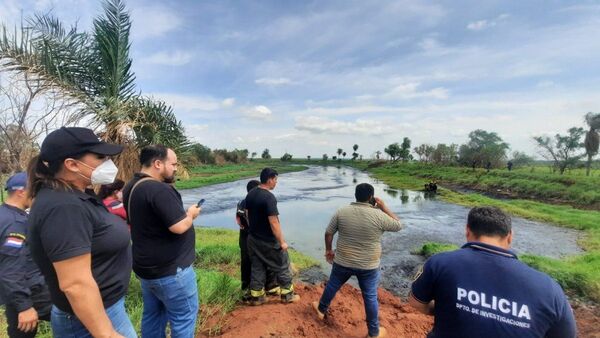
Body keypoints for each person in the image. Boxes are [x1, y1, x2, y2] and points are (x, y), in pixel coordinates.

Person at [27, 127, 135, 338]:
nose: (108, 163)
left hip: (101, 311)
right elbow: (75, 283)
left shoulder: (75, 196)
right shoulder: (64, 208)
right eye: (100, 157)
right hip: (89, 321)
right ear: (72, 164)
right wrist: (107, 333)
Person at [409, 206, 576, 338]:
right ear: (510, 237)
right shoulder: (550, 288)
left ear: (467, 231)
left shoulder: (440, 262)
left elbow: (416, 302)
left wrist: (448, 307)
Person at [122, 144, 201, 338]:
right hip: (172, 272)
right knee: (183, 319)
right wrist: (191, 214)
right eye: (173, 164)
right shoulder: (158, 189)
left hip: (147, 270)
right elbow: (179, 226)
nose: (175, 168)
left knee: (153, 317)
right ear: (158, 163)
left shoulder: (131, 186)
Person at [312, 183, 403, 338]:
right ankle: (373, 333)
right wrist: (384, 207)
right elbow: (398, 225)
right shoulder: (379, 215)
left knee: (333, 285)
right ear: (371, 198)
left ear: (356, 195)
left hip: (343, 261)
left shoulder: (342, 212)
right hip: (369, 265)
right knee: (370, 296)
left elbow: (328, 233)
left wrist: (328, 250)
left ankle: (321, 310)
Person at [0, 172, 51, 338]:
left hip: (14, 292)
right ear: (21, 192)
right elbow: (10, 269)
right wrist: (24, 306)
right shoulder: (15, 224)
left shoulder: (4, 214)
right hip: (30, 291)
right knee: (74, 316)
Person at [245, 168, 300, 305]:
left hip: (253, 239)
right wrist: (282, 242)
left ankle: (257, 298)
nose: (276, 182)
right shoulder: (269, 197)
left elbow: (247, 214)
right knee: (282, 264)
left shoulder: (251, 194)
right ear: (269, 179)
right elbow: (274, 222)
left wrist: (254, 228)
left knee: (257, 266)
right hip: (268, 241)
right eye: (275, 179)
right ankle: (288, 295)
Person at [235, 180, 279, 301]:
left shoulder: (241, 203)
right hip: (255, 237)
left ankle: (247, 288)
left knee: (247, 263)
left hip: (244, 237)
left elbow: (240, 221)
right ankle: (267, 287)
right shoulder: (256, 203)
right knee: (262, 261)